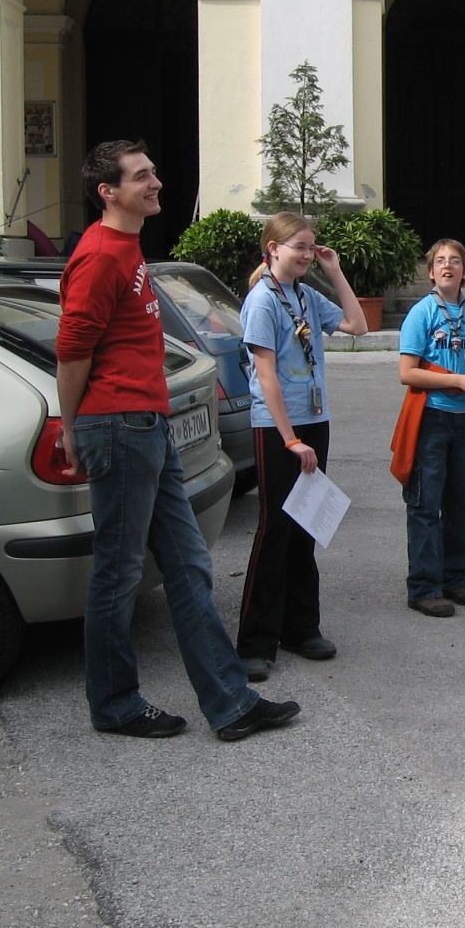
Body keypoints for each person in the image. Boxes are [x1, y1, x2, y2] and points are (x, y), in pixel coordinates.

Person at [57, 139, 299, 742]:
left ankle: (231, 703)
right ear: (107, 192)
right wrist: (71, 427)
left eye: (154, 171)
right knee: (117, 573)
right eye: (141, 176)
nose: (155, 181)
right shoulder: (97, 257)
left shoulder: (130, 249)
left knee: (189, 566)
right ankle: (114, 704)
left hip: (148, 425)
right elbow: (72, 352)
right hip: (118, 427)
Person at [235, 212, 367, 682]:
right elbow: (265, 374)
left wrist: (334, 270)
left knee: (306, 524)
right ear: (272, 249)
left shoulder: (305, 294)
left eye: (312, 247)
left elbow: (357, 326)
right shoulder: (262, 300)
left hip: (315, 418)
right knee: (274, 528)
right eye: (300, 247)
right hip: (279, 426)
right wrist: (289, 437)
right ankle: (254, 640)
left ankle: (300, 627)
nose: (307, 255)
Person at [398, 239, 465, 617]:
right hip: (432, 418)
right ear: (431, 272)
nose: (447, 267)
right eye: (440, 262)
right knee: (425, 502)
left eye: (455, 261)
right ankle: (424, 587)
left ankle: (455, 577)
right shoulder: (421, 313)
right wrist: (458, 382)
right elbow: (407, 373)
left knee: (461, 500)